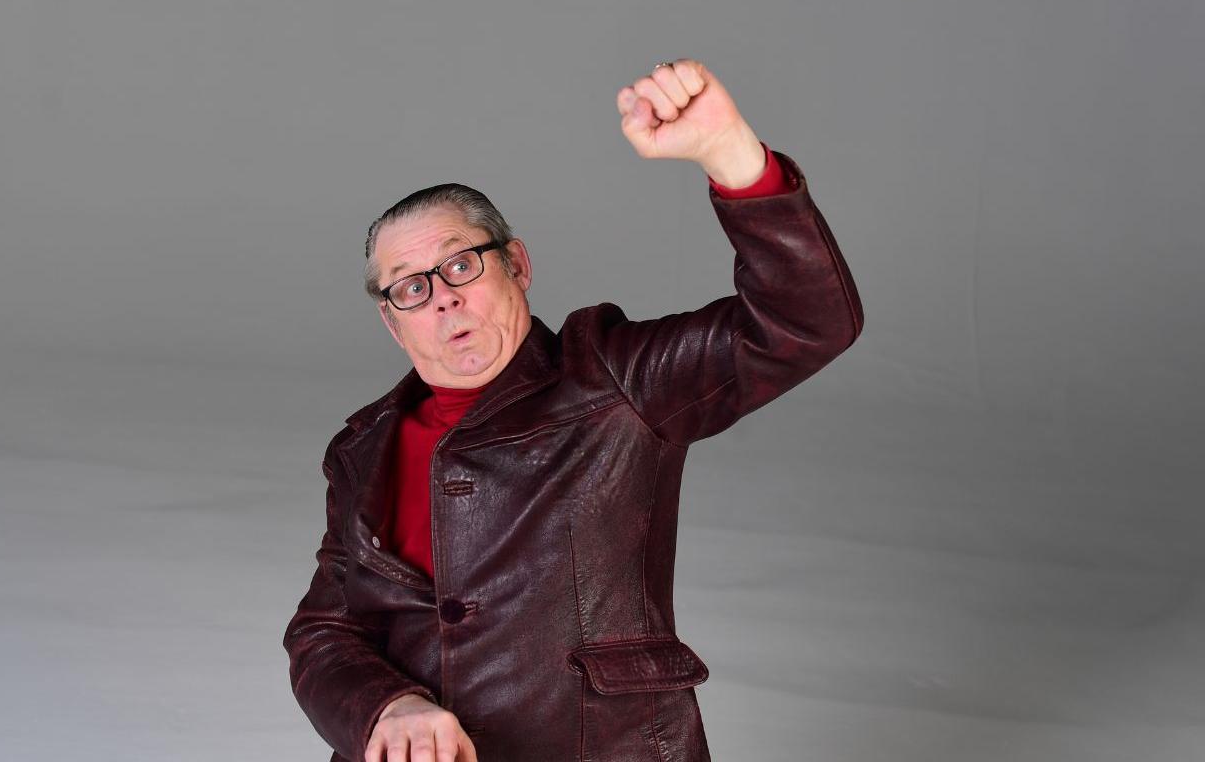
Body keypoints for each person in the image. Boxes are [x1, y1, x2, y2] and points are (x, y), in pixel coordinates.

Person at [284, 58, 865, 762]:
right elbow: (326, 630)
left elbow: (809, 320)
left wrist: (730, 155)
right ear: (391, 321)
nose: (441, 298)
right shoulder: (364, 447)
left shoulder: (613, 378)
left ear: (517, 265)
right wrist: (390, 708)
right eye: (409, 288)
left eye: (460, 265)